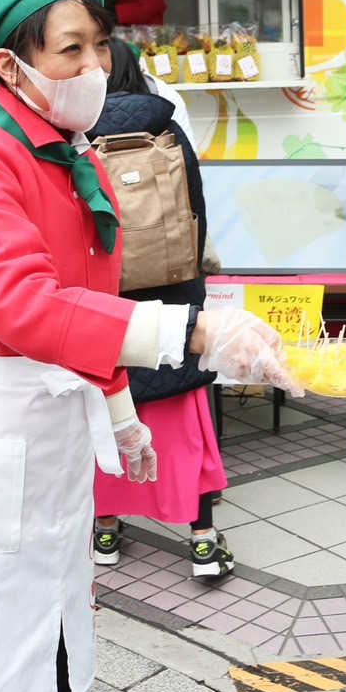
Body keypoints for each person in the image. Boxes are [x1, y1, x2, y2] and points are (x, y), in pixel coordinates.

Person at [0, 0, 299, 692]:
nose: (95, 66)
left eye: (100, 45)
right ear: (10, 64)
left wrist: (120, 408)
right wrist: (192, 333)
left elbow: (82, 303)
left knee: (53, 635)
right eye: (70, 49)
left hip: (47, 432)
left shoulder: (72, 155)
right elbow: (27, 306)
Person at [88, 39, 231, 577]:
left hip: (106, 303)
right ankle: (203, 541)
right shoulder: (168, 126)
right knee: (182, 421)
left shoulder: (73, 135)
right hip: (175, 300)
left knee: (106, 414)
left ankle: (105, 530)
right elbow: (197, 209)